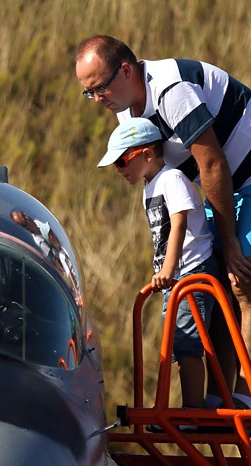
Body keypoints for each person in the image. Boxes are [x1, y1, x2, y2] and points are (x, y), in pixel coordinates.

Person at [75, 34, 251, 401]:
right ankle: (218, 400)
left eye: (100, 88)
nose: (97, 99)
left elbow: (212, 162)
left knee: (244, 282)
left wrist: (229, 240)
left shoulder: (170, 90)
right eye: (89, 93)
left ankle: (246, 399)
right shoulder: (125, 109)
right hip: (227, 182)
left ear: (125, 71)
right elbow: (166, 178)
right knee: (213, 282)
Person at [98, 116, 229, 410]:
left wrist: (169, 268)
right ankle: (187, 407)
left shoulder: (171, 178)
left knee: (188, 342)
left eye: (122, 162)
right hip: (175, 275)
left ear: (146, 154)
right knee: (177, 342)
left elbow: (179, 222)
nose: (119, 171)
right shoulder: (150, 186)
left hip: (192, 270)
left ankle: (194, 410)